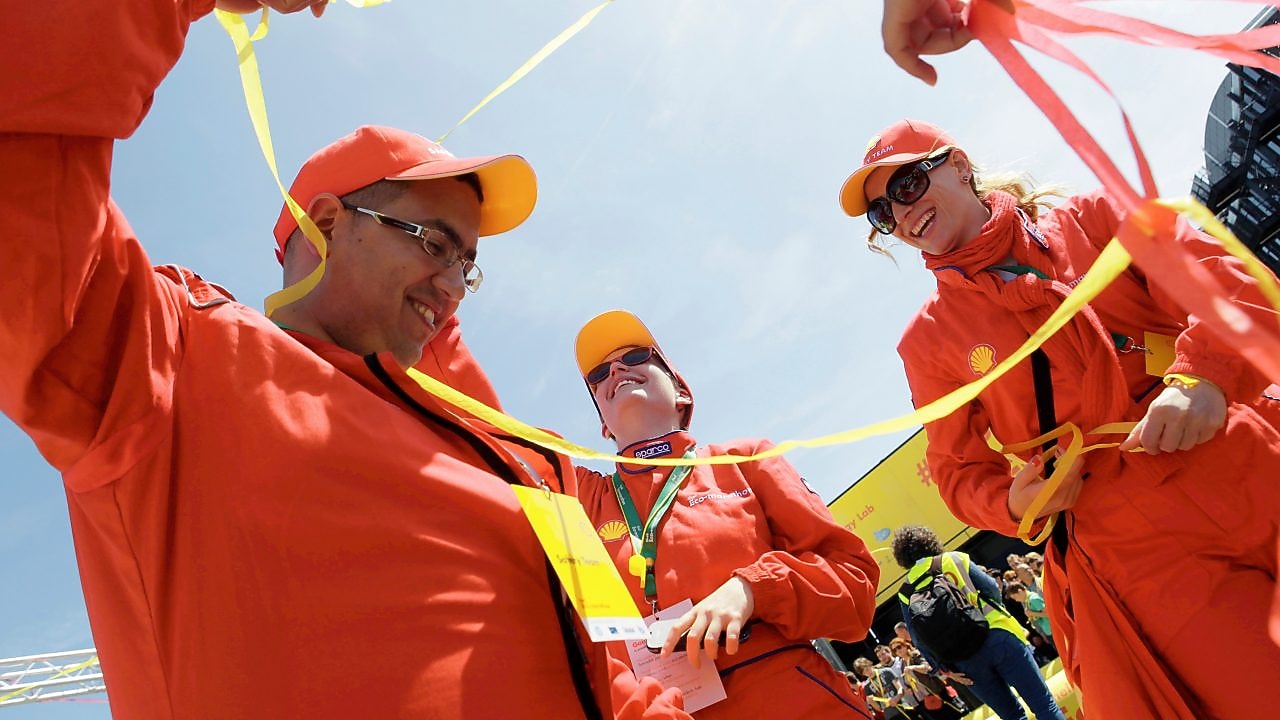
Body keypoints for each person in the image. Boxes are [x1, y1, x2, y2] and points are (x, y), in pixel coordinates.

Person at [0, 3, 689, 719]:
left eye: (469, 264)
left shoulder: (501, 457)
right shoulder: (173, 361)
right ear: (327, 223)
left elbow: (600, 666)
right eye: (434, 241)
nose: (456, 285)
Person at [840, 117, 1280, 717]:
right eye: (882, 213)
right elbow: (956, 471)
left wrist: (1204, 375)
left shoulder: (1094, 217)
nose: (900, 211)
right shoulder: (928, 343)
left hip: (1239, 454)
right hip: (1132, 541)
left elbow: (1225, 280)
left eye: (908, 184)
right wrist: (1014, 503)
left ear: (958, 165)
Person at [571, 310, 880, 718]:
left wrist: (753, 590)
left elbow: (854, 586)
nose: (614, 370)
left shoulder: (744, 459)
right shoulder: (583, 499)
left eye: (634, 358)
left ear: (681, 390)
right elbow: (483, 438)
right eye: (598, 375)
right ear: (604, 426)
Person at [891, 526, 1064, 720]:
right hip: (998, 635)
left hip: (964, 661)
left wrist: (945, 670)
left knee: (1013, 716)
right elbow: (992, 589)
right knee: (1044, 705)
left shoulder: (905, 592)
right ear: (929, 541)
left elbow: (919, 640)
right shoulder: (954, 559)